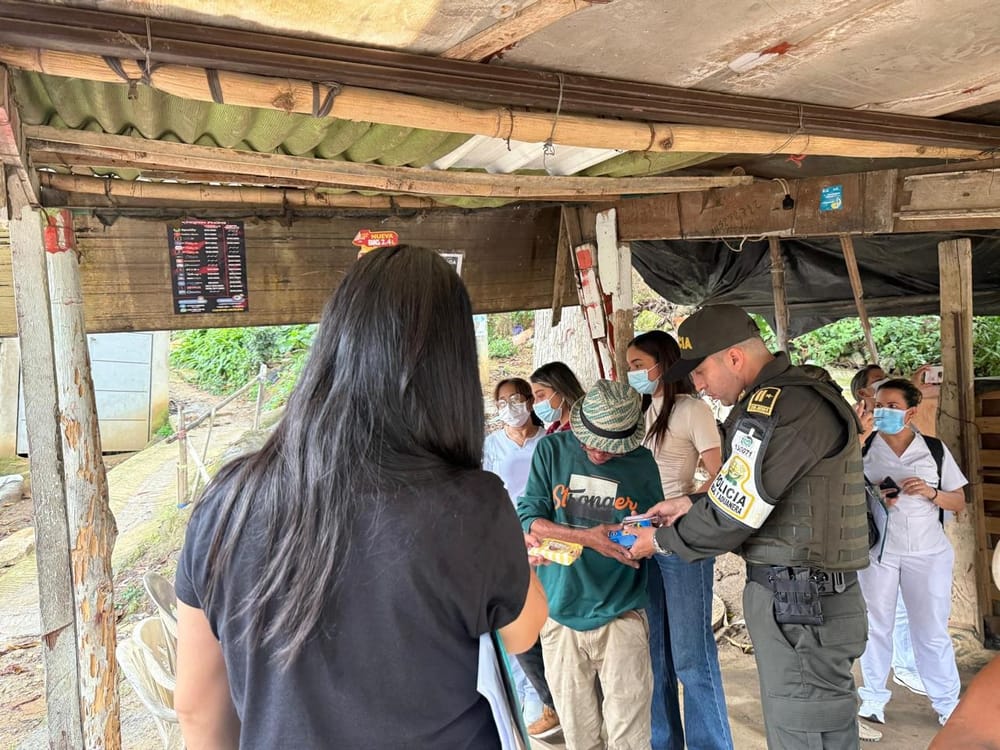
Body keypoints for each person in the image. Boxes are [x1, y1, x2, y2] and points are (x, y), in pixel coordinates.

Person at [173, 246, 548, 749]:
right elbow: (521, 632)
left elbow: (197, 709)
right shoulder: (470, 506)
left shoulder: (228, 502)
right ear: (451, 373)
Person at [629, 304, 870, 750]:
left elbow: (737, 509)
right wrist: (689, 502)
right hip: (797, 599)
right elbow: (751, 490)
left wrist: (660, 540)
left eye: (700, 372)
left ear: (734, 358)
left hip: (804, 604)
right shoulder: (782, 401)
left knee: (805, 734)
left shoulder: (787, 406)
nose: (697, 386)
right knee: (800, 726)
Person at [517, 379, 663, 750]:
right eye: (589, 444)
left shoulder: (642, 464)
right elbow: (529, 516)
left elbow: (647, 528)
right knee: (580, 735)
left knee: (629, 736)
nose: (597, 453)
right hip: (561, 612)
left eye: (608, 449)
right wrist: (588, 537)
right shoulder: (552, 450)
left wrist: (643, 542)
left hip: (621, 613)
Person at [627, 331, 733, 750]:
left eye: (638, 364)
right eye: (629, 365)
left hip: (679, 540)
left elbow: (722, 476)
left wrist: (685, 500)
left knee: (691, 654)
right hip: (637, 536)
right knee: (653, 655)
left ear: (663, 364)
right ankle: (663, 742)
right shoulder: (634, 412)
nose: (631, 372)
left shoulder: (692, 410)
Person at [856, 378, 966, 728]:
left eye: (892, 406)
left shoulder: (933, 449)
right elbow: (842, 489)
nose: (883, 411)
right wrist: (876, 494)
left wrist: (931, 493)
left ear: (911, 412)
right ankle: (873, 699)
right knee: (876, 626)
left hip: (928, 553)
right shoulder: (864, 447)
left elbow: (959, 501)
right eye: (879, 404)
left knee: (931, 631)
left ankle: (948, 704)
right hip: (880, 552)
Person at [483, 377, 561, 738]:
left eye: (516, 399)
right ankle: (542, 701)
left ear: (530, 401)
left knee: (554, 622)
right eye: (502, 402)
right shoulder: (490, 446)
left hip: (549, 544)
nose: (509, 407)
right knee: (519, 629)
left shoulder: (550, 442)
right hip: (506, 546)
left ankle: (561, 701)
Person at [850, 364, 928, 699]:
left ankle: (906, 667)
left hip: (908, 531)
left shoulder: (898, 431)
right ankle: (888, 678)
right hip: (870, 533)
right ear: (863, 395)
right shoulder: (856, 431)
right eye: (876, 384)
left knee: (907, 605)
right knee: (882, 610)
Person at [530, 361, 586, 434]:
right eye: (534, 398)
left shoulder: (584, 430)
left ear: (562, 391)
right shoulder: (552, 431)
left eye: (541, 395)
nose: (536, 403)